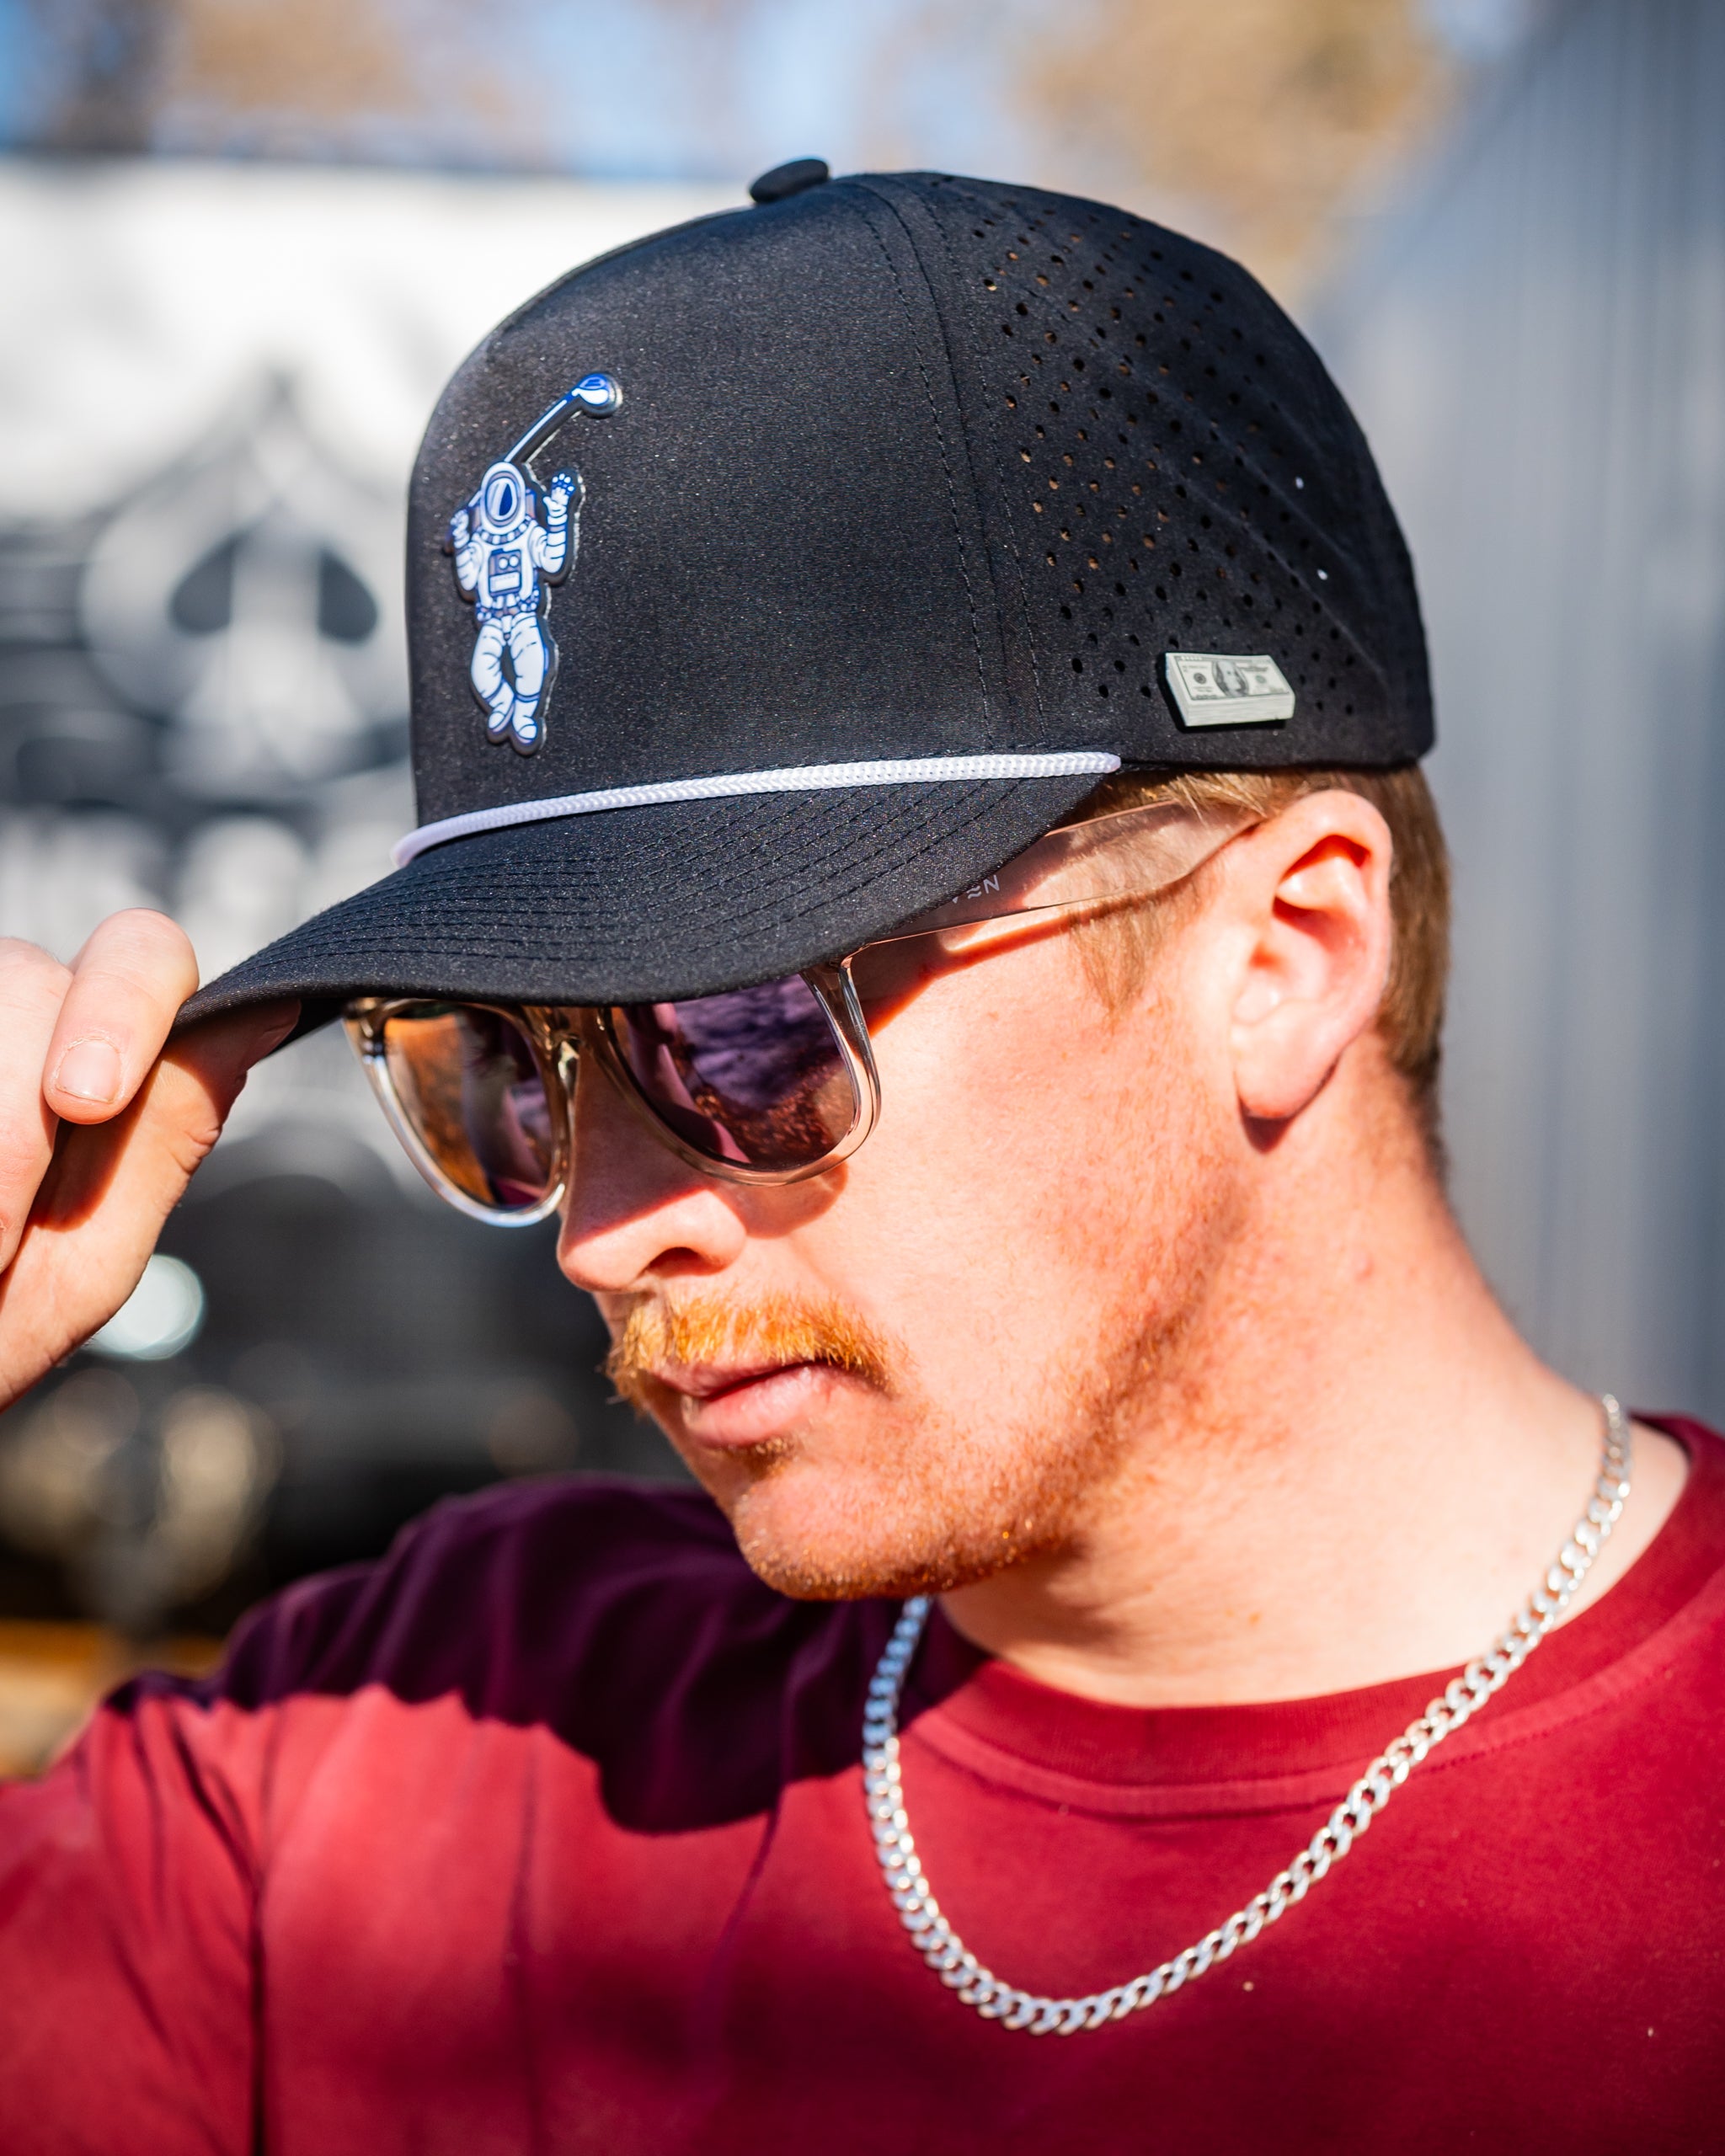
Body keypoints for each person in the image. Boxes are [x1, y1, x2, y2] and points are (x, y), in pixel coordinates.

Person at [0, 162, 1717, 2151]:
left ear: (1283, 954)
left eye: (737, 1032)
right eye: (519, 1068)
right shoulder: (417, 1725)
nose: (607, 1231)